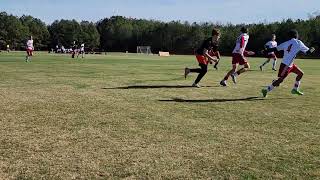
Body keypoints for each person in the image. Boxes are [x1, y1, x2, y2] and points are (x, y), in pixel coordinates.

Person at [261, 29, 315, 97]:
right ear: (296, 35)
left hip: (289, 64)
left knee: (300, 73)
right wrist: (313, 48)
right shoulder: (299, 42)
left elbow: (275, 49)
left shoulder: (286, 43)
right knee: (280, 80)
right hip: (286, 65)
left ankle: (295, 89)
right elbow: (308, 52)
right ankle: (266, 90)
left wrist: (265, 51)